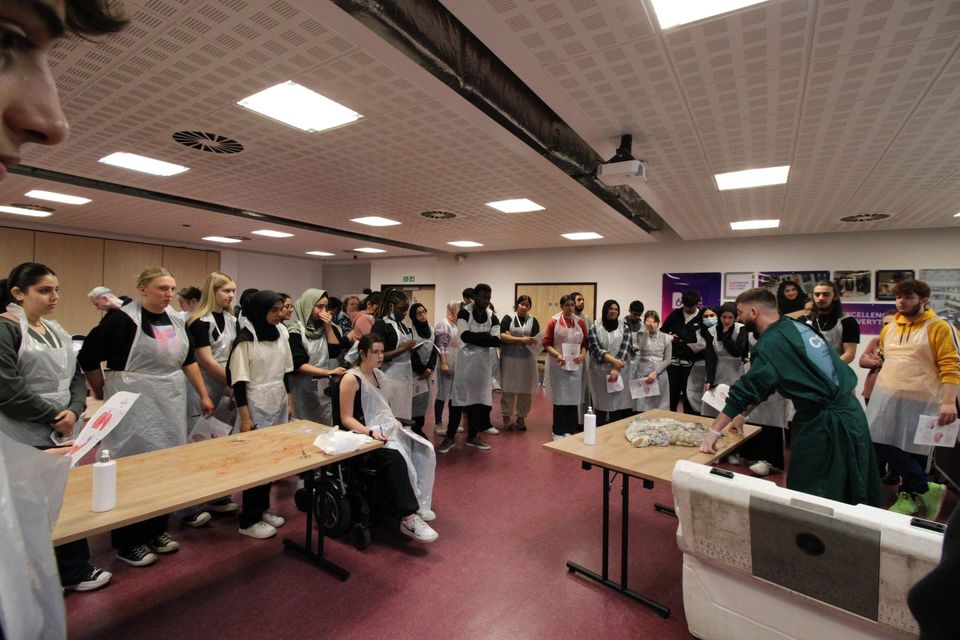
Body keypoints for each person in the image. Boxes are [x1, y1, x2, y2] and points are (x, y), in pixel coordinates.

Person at [80, 267, 215, 566]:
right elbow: (88, 355)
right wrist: (101, 389)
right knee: (133, 469)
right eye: (161, 288)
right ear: (142, 289)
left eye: (171, 288)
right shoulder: (122, 320)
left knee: (165, 466)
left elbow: (188, 359)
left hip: (169, 399)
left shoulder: (175, 322)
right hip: (134, 401)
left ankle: (156, 529)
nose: (168, 294)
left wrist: (203, 393)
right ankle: (128, 541)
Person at [700, 288, 882, 507]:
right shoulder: (798, 327)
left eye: (740, 312)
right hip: (851, 414)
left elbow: (747, 389)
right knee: (852, 486)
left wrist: (714, 431)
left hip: (824, 423)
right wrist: (743, 416)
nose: (739, 318)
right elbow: (766, 382)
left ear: (754, 311)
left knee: (815, 489)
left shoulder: (771, 343)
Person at [0, 263, 112, 592]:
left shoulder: (56, 331)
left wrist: (75, 410)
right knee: (27, 501)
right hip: (22, 429)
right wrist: (53, 415)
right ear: (18, 293)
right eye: (44, 290)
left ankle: (72, 568)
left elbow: (75, 377)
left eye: (57, 290)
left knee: (63, 496)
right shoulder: (6, 330)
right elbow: (7, 388)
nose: (54, 297)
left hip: (63, 423)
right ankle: (32, 575)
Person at [866, 280, 959, 519]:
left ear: (924, 299)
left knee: (915, 451)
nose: (901, 301)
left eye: (908, 297)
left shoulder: (939, 326)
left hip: (924, 400)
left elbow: (951, 365)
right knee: (877, 442)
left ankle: (910, 496)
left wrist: (949, 402)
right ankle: (926, 488)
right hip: (887, 397)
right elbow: (887, 359)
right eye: (898, 297)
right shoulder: (889, 329)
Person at [340, 333, 438, 542]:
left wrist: (394, 421)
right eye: (375, 352)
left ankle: (420, 502)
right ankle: (408, 516)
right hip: (363, 437)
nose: (380, 356)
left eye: (381, 351)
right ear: (362, 353)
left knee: (423, 447)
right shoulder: (351, 379)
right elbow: (346, 418)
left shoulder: (378, 376)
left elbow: (382, 408)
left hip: (384, 429)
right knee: (396, 457)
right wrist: (370, 432)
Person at [227, 290, 295, 539]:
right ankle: (248, 520)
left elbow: (287, 371)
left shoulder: (281, 334)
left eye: (280, 310)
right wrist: (245, 418)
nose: (279, 315)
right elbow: (238, 382)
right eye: (273, 310)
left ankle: (262, 509)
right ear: (259, 312)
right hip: (255, 406)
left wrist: (289, 401)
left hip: (277, 401)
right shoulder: (245, 340)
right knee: (255, 463)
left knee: (271, 461)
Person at [185, 271, 240, 517]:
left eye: (232, 291)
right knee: (196, 444)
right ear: (212, 292)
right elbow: (206, 361)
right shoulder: (199, 321)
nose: (230, 295)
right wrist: (234, 384)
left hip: (224, 387)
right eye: (225, 291)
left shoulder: (231, 320)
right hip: (201, 388)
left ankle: (216, 494)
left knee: (219, 443)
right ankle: (190, 504)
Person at [438, 283, 499, 453]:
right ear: (475, 297)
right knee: (458, 401)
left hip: (482, 366)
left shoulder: (491, 316)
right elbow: (464, 335)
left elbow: (496, 340)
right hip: (465, 364)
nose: (486, 301)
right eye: (483, 297)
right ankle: (450, 437)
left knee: (478, 402)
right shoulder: (465, 313)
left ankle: (473, 436)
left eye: (488, 298)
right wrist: (485, 337)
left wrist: (477, 338)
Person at [288, 289, 346, 427]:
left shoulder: (324, 329)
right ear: (308, 306)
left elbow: (334, 351)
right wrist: (328, 372)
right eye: (319, 307)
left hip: (322, 389)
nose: (324, 311)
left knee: (323, 426)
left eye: (326, 307)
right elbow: (298, 364)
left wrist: (328, 327)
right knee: (303, 426)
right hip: (302, 387)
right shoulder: (295, 331)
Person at [543, 294, 588, 440]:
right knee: (560, 398)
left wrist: (582, 355)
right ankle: (557, 430)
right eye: (567, 305)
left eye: (572, 305)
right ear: (561, 306)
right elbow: (546, 343)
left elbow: (585, 344)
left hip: (575, 365)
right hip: (559, 364)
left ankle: (570, 429)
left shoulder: (580, 322)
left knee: (573, 398)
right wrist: (558, 356)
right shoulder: (553, 322)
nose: (570, 308)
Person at [371, 289, 417, 421]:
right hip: (389, 376)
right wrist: (403, 348)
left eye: (406, 310)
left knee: (403, 413)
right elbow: (377, 356)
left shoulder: (403, 326)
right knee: (390, 415)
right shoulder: (381, 325)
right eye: (401, 309)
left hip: (405, 377)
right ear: (391, 306)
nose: (404, 313)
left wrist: (412, 349)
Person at [587, 299, 633, 425]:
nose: (614, 311)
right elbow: (595, 349)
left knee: (616, 406)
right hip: (599, 372)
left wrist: (616, 368)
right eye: (611, 309)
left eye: (616, 309)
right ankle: (599, 433)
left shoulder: (625, 327)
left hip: (619, 372)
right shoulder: (594, 327)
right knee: (600, 406)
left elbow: (625, 348)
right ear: (605, 310)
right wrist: (615, 362)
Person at [499, 295, 540, 431]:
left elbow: (535, 340)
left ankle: (521, 418)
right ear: (517, 305)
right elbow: (502, 336)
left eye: (527, 305)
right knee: (508, 388)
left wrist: (512, 337)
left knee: (525, 390)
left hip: (527, 359)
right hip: (509, 358)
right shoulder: (508, 318)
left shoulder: (533, 320)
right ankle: (506, 416)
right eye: (522, 304)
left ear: (530, 307)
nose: (524, 307)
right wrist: (521, 340)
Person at [661, 289, 705, 413]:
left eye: (691, 307)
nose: (688, 309)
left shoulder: (702, 317)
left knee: (689, 394)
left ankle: (689, 419)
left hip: (693, 362)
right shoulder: (675, 314)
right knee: (672, 393)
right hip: (674, 361)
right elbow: (662, 332)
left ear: (697, 304)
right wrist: (671, 336)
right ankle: (669, 418)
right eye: (686, 307)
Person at [702, 303, 743, 419]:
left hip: (736, 371)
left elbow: (737, 352)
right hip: (718, 370)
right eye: (724, 317)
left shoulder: (741, 329)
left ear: (735, 318)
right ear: (719, 317)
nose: (727, 321)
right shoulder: (711, 331)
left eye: (730, 318)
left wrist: (725, 335)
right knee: (715, 405)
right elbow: (710, 357)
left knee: (734, 404)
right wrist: (709, 378)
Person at [808, 280, 860, 363]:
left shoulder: (848, 322)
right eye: (817, 294)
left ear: (835, 296)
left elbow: (849, 354)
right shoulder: (803, 320)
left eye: (826, 294)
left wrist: (828, 369)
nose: (820, 298)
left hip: (835, 372)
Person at [630, 310, 671, 413]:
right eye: (648, 321)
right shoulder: (638, 335)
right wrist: (645, 333)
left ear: (658, 322)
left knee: (658, 405)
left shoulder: (666, 337)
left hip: (659, 374)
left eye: (654, 321)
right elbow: (639, 348)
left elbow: (668, 360)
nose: (651, 324)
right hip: (642, 372)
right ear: (644, 322)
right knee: (641, 405)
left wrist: (656, 372)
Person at [433, 300, 461, 436]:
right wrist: (444, 363)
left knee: (453, 395)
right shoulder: (443, 324)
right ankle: (438, 423)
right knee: (443, 393)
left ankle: (452, 423)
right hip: (446, 360)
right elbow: (440, 345)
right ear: (452, 310)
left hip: (456, 361)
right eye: (458, 309)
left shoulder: (455, 324)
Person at [408, 302, 437, 437]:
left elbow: (434, 351)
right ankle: (412, 429)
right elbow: (410, 353)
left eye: (424, 312)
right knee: (414, 400)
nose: (423, 315)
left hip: (428, 372)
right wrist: (421, 370)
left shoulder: (431, 329)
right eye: (419, 313)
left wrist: (430, 368)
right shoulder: (410, 330)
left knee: (424, 400)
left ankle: (419, 427)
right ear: (413, 316)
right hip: (415, 372)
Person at [685, 306, 718, 415]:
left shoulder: (721, 332)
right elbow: (689, 350)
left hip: (717, 369)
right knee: (695, 395)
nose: (709, 318)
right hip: (698, 368)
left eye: (712, 315)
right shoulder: (697, 332)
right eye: (706, 316)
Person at [859, 309, 897, 405]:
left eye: (892, 324)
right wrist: (877, 362)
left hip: (894, 391)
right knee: (871, 419)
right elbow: (862, 361)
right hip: (872, 390)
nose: (888, 327)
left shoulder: (904, 343)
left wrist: (875, 359)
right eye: (885, 324)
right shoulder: (876, 341)